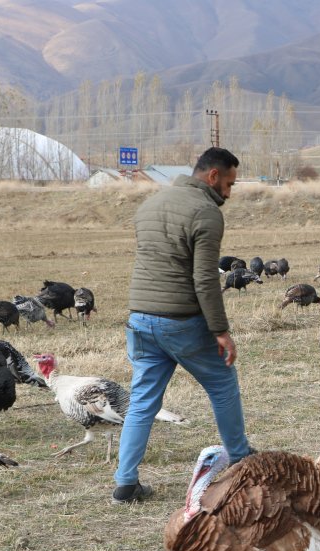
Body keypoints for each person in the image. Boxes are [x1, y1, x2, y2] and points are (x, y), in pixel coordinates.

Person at [112, 147, 254, 504]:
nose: (229, 193)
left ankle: (125, 483)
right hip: (180, 321)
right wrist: (220, 330)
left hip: (139, 319)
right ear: (213, 176)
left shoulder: (150, 205)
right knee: (222, 383)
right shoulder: (205, 212)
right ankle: (240, 460)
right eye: (229, 183)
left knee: (142, 401)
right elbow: (205, 278)